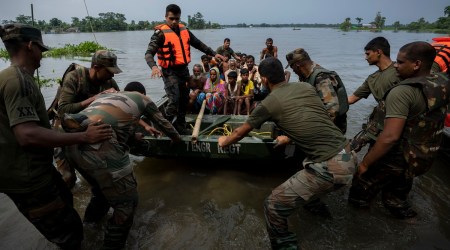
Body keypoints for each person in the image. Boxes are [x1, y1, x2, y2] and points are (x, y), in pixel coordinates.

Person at [218, 57, 356, 249]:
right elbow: (313, 117)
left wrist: (223, 141)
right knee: (308, 190)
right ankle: (322, 217)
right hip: (348, 153)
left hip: (331, 165)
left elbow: (239, 132)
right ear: (284, 75)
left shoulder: (269, 103)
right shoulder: (306, 88)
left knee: (273, 206)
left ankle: (285, 247)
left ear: (264, 80)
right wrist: (288, 138)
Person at [0, 23, 113, 249]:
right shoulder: (17, 81)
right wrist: (84, 137)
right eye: (41, 49)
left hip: (35, 168)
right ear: (30, 46)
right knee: (69, 235)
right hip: (28, 178)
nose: (43, 54)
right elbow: (27, 135)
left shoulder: (17, 78)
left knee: (66, 200)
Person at [62, 82, 181, 249]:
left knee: (100, 192)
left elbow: (117, 124)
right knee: (127, 203)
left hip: (70, 143)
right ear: (142, 92)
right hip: (97, 144)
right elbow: (164, 124)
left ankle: (89, 229)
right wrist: (177, 141)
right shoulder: (143, 99)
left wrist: (134, 137)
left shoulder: (109, 96)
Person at [348, 41, 450, 219]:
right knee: (397, 196)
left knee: (360, 190)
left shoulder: (403, 91)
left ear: (417, 64)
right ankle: (407, 220)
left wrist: (365, 164)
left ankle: (358, 227)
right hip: (418, 154)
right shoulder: (441, 81)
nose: (396, 66)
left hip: (395, 153)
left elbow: (390, 137)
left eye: (401, 62)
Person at [145, 4, 225, 133]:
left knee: (184, 99)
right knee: (174, 99)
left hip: (183, 70)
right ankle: (166, 129)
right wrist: (154, 67)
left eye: (177, 18)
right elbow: (148, 53)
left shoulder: (184, 30)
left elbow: (199, 44)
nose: (174, 22)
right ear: (166, 17)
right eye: (171, 18)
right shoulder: (160, 34)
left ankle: (180, 126)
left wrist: (214, 54)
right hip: (169, 71)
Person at [54, 50, 122, 188]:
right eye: (109, 71)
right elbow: (63, 110)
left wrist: (142, 125)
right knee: (67, 178)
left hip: (90, 129)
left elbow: (121, 107)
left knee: (101, 175)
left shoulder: (109, 82)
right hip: (64, 130)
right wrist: (94, 99)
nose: (112, 74)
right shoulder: (74, 77)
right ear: (96, 68)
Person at [286, 48, 349, 134]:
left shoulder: (321, 77)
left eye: (291, 67)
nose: (292, 70)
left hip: (331, 131)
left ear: (297, 65)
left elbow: (332, 111)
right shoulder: (305, 76)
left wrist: (310, 131)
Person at [347, 37, 401, 105]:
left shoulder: (400, 70)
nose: (366, 58)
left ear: (378, 52)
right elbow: (351, 99)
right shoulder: (371, 79)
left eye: (368, 54)